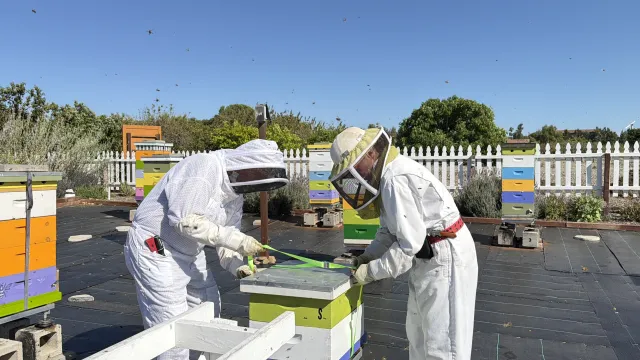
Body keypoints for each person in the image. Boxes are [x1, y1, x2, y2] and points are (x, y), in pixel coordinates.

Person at [124, 139, 290, 360]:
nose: (254, 185)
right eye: (256, 176)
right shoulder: (203, 167)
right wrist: (238, 240)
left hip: (190, 251)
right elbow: (185, 221)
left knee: (209, 308)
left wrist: (238, 267)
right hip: (156, 248)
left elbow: (226, 239)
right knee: (173, 328)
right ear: (244, 165)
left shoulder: (234, 196)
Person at [329, 127, 478, 360]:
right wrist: (367, 256)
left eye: (356, 167)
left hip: (444, 254)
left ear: (370, 154)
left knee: (442, 343)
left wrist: (371, 272)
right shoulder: (387, 177)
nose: (357, 174)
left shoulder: (394, 179)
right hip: (429, 254)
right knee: (418, 334)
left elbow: (409, 245)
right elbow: (388, 231)